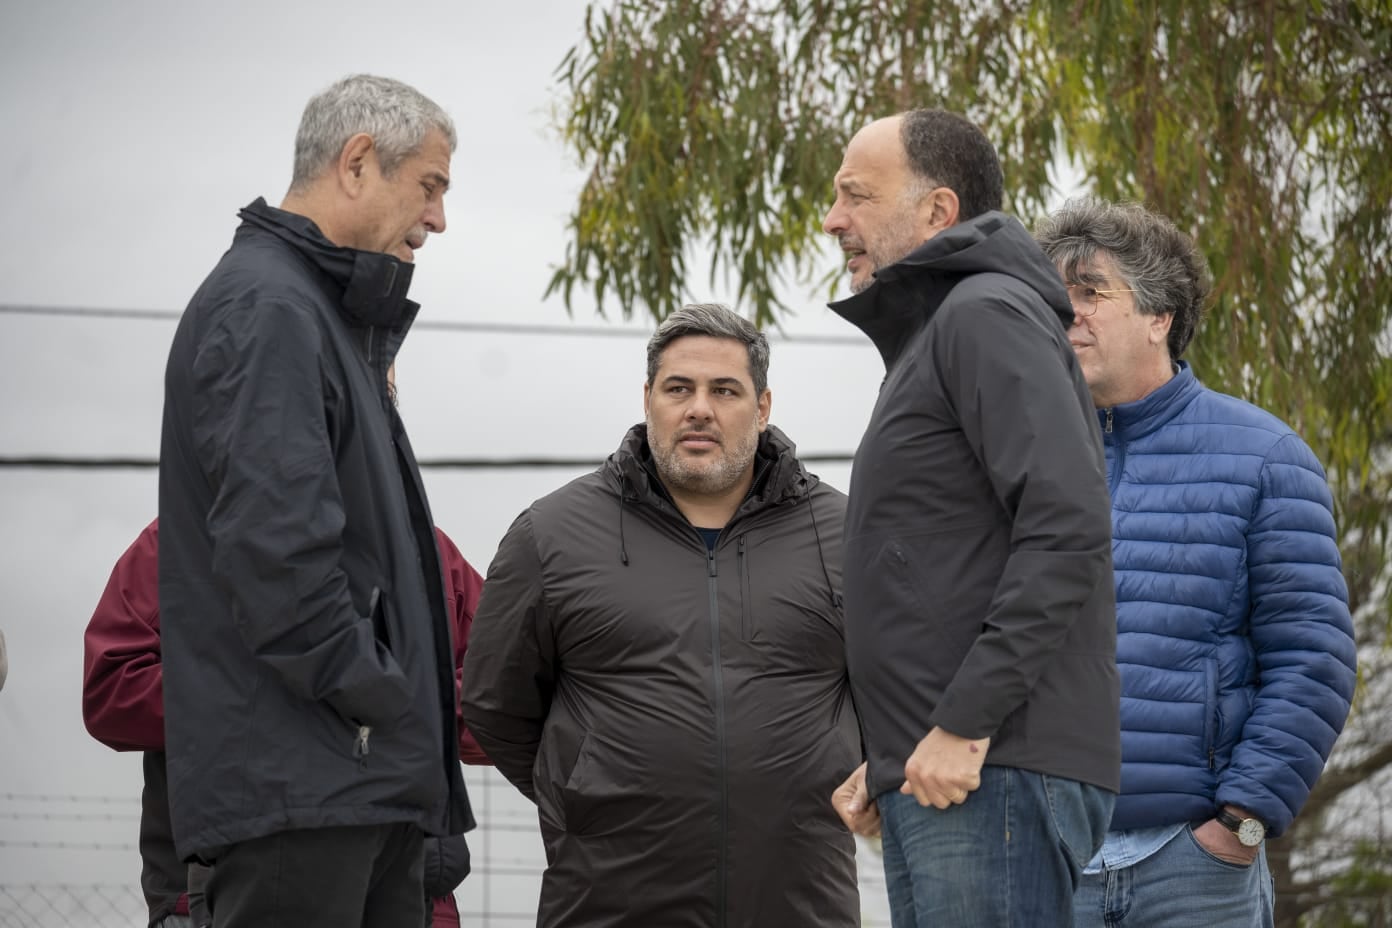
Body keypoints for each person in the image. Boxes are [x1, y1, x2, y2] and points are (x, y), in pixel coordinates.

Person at [157, 74, 470, 927]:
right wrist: (379, 694)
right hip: (308, 795)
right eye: (431, 186)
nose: (439, 218)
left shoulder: (320, 316)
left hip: (350, 785)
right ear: (359, 162)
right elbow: (278, 553)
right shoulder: (270, 308)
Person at [461, 303, 860, 927]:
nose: (699, 407)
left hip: (800, 900)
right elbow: (494, 702)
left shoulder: (844, 534)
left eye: (724, 390)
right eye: (679, 388)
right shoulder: (552, 534)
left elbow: (895, 692)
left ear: (762, 407)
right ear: (648, 399)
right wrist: (584, 791)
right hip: (607, 902)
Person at [822, 109, 1120, 927]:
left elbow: (1067, 524)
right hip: (944, 770)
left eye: (855, 195)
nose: (833, 218)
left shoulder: (983, 314)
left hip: (995, 767)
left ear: (937, 212)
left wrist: (964, 721)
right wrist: (891, 757)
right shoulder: (944, 332)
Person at [1032, 198, 1358, 926]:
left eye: (1091, 294)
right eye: (1056, 299)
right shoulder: (1014, 457)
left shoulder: (1265, 458)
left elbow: (1316, 660)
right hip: (1046, 861)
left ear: (1161, 317)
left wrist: (1240, 825)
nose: (1068, 315)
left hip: (1193, 868)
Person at [82, 519, 489, 928]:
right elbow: (113, 688)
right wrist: (279, 700)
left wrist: (398, 701)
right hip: (222, 888)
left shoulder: (423, 545)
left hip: (418, 897)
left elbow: (502, 692)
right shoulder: (187, 534)